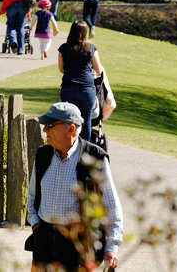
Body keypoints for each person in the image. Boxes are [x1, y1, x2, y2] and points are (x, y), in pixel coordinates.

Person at [27, 102, 122, 271]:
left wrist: (111, 248)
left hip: (78, 247)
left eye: (49, 126)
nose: (44, 130)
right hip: (44, 243)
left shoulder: (95, 157)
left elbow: (112, 206)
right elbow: (32, 197)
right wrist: (36, 226)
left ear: (70, 129)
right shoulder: (43, 155)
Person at [58, 21, 105, 144]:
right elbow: (98, 69)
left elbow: (61, 69)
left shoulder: (64, 48)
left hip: (68, 88)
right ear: (85, 33)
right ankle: (83, 151)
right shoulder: (91, 49)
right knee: (86, 120)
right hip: (86, 89)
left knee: (68, 120)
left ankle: (69, 147)